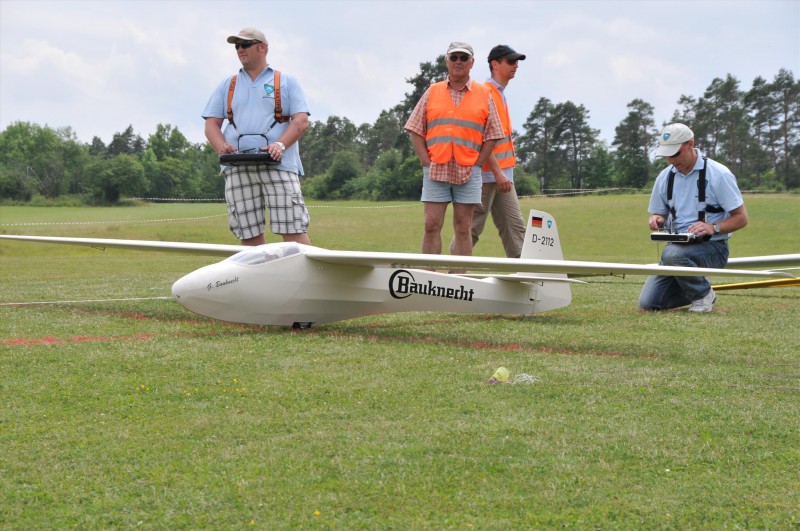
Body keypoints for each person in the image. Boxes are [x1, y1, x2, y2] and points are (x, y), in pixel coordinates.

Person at [202, 27, 311, 246]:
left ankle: (309, 269)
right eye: (237, 46)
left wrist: (280, 145)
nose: (240, 50)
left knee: (293, 231)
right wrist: (221, 146)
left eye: (245, 44)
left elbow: (301, 120)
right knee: (248, 235)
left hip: (278, 165)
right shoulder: (227, 85)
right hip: (238, 167)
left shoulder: (286, 81)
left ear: (262, 47)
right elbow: (211, 125)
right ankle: (260, 270)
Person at [404, 42, 505, 257]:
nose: (458, 62)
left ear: (472, 63)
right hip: (435, 169)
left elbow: (493, 134)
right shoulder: (433, 91)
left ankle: (458, 274)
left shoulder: (484, 93)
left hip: (469, 171)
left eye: (464, 58)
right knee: (431, 224)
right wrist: (425, 161)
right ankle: (429, 273)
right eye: (454, 57)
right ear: (447, 61)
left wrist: (478, 164)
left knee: (463, 227)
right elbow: (415, 128)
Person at [638, 123, 748, 313]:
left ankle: (703, 295)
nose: (671, 160)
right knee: (649, 304)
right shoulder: (664, 177)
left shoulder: (719, 174)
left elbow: (741, 218)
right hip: (675, 250)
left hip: (713, 248)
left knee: (672, 254)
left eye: (675, 154)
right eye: (666, 155)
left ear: (690, 144)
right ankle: (696, 281)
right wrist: (657, 219)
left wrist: (712, 227)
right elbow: (659, 213)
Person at [451, 44, 527, 258]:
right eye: (511, 61)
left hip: (503, 176)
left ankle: (525, 273)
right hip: (487, 176)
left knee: (516, 229)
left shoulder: (499, 93)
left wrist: (502, 173)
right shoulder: (485, 93)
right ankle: (453, 272)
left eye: (517, 62)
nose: (516, 66)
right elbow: (483, 139)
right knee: (470, 229)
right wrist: (496, 172)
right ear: (495, 64)